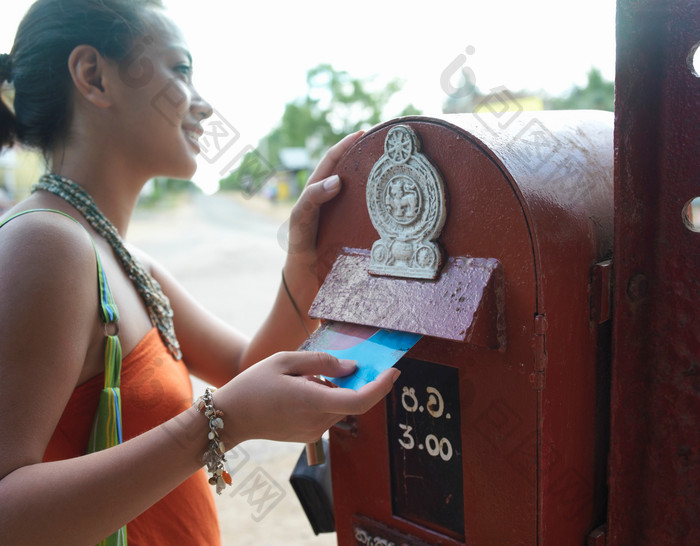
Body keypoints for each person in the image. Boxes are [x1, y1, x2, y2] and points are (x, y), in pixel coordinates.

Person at [0, 1, 399, 544]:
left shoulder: (127, 260)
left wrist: (302, 262)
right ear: (94, 76)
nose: (205, 106)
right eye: (181, 71)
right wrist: (224, 422)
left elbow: (245, 367)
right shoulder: (45, 243)